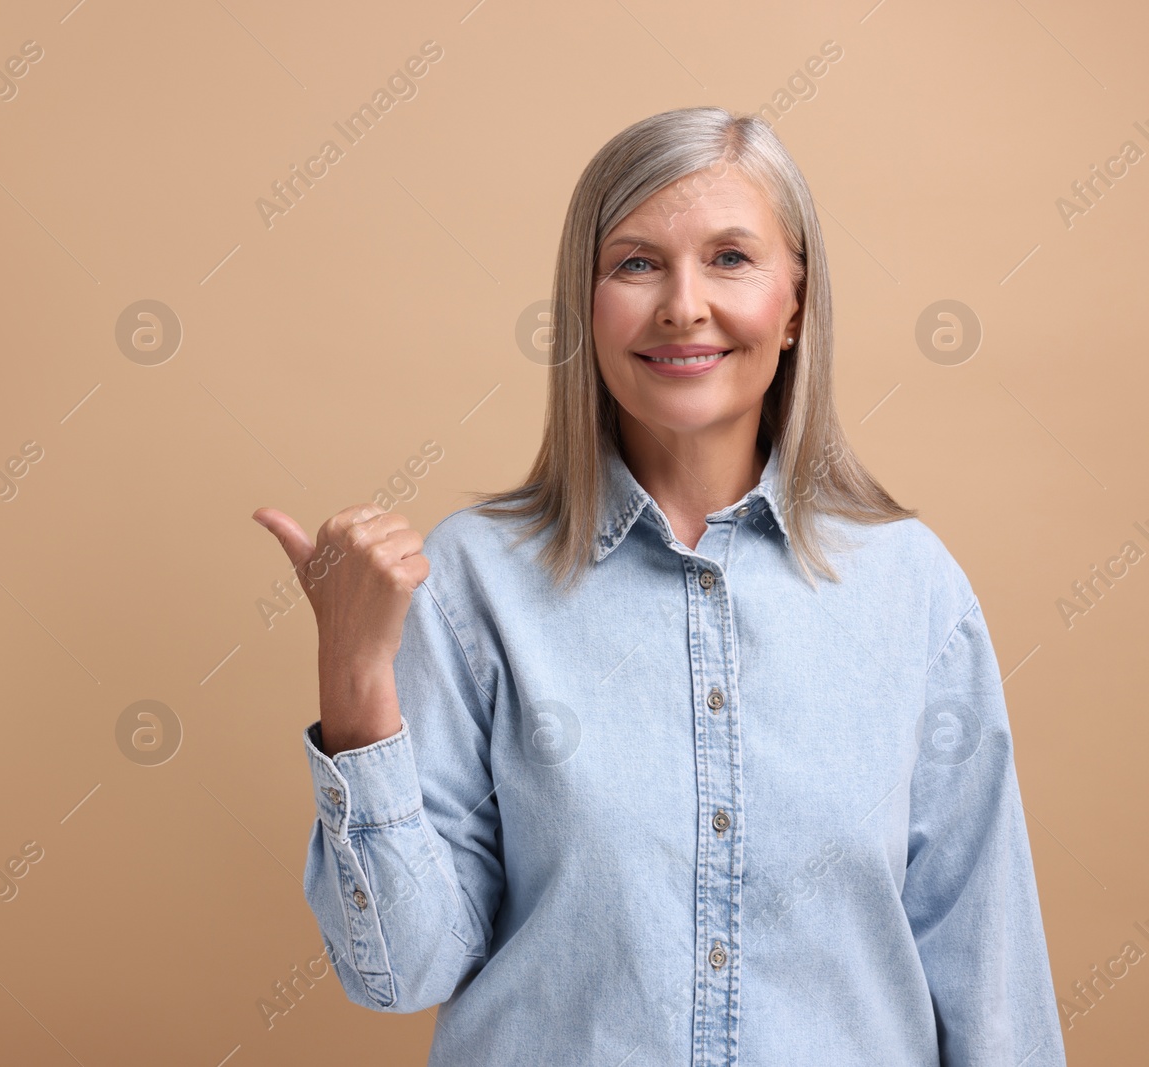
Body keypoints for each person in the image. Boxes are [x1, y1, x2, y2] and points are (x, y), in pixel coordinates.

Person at [253, 105, 1066, 1065]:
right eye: (637, 263)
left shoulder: (910, 586)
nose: (684, 305)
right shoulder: (474, 581)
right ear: (584, 304)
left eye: (731, 258)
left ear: (795, 301)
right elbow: (400, 969)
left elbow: (989, 969)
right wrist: (355, 679)